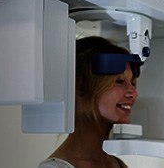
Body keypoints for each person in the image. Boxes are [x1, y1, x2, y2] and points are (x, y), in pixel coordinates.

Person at [38, 36, 143, 168]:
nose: (133, 93)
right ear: (81, 87)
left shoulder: (118, 165)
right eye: (119, 81)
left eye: (132, 82)